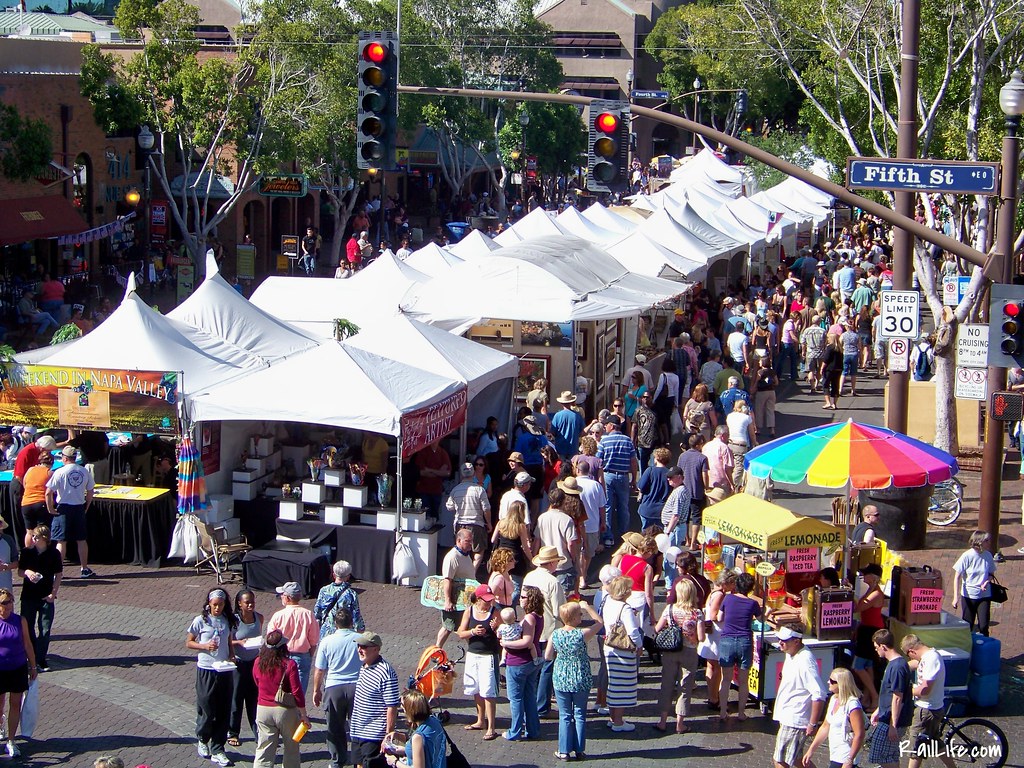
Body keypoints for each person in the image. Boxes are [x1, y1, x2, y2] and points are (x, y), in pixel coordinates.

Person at [186, 588, 238, 766]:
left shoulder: (227, 621)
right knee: (206, 705)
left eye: (221, 605)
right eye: (214, 605)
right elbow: (189, 642)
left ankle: (218, 748)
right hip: (206, 669)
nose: (217, 608)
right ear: (209, 604)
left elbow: (229, 641)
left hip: (223, 669)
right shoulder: (201, 621)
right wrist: (204, 645)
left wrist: (231, 655)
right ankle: (202, 738)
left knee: (224, 709)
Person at [546, 598, 602, 760]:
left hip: (561, 677)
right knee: (579, 714)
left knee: (565, 715)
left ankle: (563, 750)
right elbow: (599, 623)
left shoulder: (555, 634)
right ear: (574, 618)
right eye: (579, 614)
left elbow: (548, 656)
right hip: (580, 676)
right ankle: (579, 749)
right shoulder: (581, 634)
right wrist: (588, 607)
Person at [653, 579, 706, 734]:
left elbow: (657, 628)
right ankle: (680, 723)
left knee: (667, 684)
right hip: (689, 651)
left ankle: (662, 721)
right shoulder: (697, 613)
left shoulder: (669, 609)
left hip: (670, 651)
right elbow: (701, 637)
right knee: (685, 686)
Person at [313, 608, 363, 768]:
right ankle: (359, 759)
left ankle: (337, 760)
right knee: (358, 726)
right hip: (358, 687)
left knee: (334, 726)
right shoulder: (360, 639)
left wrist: (316, 690)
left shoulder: (327, 641)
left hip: (334, 688)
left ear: (335, 623)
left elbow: (320, 669)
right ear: (351, 622)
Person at [251, 629, 309, 768]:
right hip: (285, 711)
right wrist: (303, 714)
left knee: (264, 748)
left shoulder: (258, 662)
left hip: (263, 709)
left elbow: (256, 681)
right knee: (291, 748)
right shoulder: (289, 664)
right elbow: (297, 691)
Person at [772, 626, 827, 768]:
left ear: (796, 641)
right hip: (788, 717)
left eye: (784, 640)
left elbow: (819, 694)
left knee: (780, 761)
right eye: (779, 639)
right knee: (798, 760)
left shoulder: (805, 661)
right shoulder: (790, 653)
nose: (780, 643)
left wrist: (812, 724)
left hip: (795, 719)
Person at [523, 546, 567, 717]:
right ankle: (542, 706)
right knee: (547, 668)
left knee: (535, 667)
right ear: (551, 562)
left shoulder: (529, 577)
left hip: (532, 628)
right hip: (549, 630)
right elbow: (559, 611)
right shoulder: (553, 582)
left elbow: (523, 602)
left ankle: (532, 703)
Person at [901, 634, 956, 768]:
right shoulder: (927, 657)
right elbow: (913, 664)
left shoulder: (931, 659)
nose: (911, 658)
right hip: (931, 708)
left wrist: (905, 691)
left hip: (926, 710)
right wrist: (897, 668)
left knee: (916, 748)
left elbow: (924, 690)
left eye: (909, 655)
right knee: (934, 742)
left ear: (912, 651)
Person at [349, 631, 400, 768]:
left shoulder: (386, 672)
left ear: (376, 649)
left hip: (373, 735)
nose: (360, 649)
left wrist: (388, 736)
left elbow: (392, 706)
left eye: (364, 647)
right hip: (358, 731)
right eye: (359, 646)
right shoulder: (364, 666)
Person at [456, 584, 500, 740]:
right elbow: (461, 632)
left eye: (490, 600)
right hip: (473, 654)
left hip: (489, 655)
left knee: (488, 691)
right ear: (478, 599)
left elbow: (503, 634)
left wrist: (496, 628)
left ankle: (491, 727)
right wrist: (473, 632)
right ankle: (480, 720)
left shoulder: (495, 612)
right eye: (486, 600)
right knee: (475, 688)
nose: (488, 603)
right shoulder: (469, 611)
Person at [500, 585, 543, 741]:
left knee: (516, 698)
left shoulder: (530, 618)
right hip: (532, 662)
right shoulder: (537, 615)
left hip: (519, 663)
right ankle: (533, 729)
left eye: (523, 597)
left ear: (531, 599)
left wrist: (506, 643)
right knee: (529, 696)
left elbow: (526, 641)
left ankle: (515, 731)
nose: (520, 599)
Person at [601, 575, 644, 732]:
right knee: (622, 686)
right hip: (623, 649)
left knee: (613, 683)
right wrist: (639, 646)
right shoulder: (625, 608)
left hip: (609, 646)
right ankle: (618, 721)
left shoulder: (607, 602)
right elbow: (633, 631)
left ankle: (613, 718)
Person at [45, 445, 96, 579]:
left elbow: (48, 492)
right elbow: (91, 490)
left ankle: (57, 571)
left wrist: (50, 508)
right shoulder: (84, 471)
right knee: (81, 539)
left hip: (63, 508)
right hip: (79, 507)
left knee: (61, 541)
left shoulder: (60, 472)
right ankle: (84, 568)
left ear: (65, 458)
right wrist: (87, 505)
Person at [717, 572, 761, 722]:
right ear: (750, 588)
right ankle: (741, 713)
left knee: (726, 680)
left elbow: (719, 617)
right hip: (744, 641)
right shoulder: (753, 603)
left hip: (727, 640)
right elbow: (762, 620)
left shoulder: (728, 598)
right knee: (744, 680)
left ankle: (723, 711)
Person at [802, 667, 867, 768]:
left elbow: (859, 734)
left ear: (841, 684)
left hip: (845, 756)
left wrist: (849, 759)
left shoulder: (853, 705)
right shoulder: (834, 699)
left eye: (832, 681)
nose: (828, 682)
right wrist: (811, 750)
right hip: (835, 754)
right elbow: (825, 726)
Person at [17, 524, 60, 673]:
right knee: (27, 627)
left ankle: (41, 658)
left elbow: (58, 574)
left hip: (45, 596)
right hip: (28, 596)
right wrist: (28, 572)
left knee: (45, 629)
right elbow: (20, 572)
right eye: (33, 536)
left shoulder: (54, 554)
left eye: (36, 536)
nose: (33, 538)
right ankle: (32, 656)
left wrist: (53, 594)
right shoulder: (27, 552)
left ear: (45, 539)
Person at [868, 630, 912, 768]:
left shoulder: (897, 667)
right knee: (890, 755)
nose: (876, 651)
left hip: (891, 722)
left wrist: (893, 725)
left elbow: (897, 698)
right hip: (887, 717)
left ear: (883, 646)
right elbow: (888, 693)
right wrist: (878, 710)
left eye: (876, 647)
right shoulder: (894, 664)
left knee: (882, 755)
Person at [265, 582, 319, 695]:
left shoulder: (278, 616)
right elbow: (314, 640)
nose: (281, 597)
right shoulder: (308, 614)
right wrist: (309, 654)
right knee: (299, 692)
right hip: (302, 656)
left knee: (280, 691)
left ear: (288, 597)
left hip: (281, 656)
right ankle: (299, 712)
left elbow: (270, 638)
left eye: (282, 595)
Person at [0, 587, 35, 758]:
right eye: (3, 606)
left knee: (15, 704)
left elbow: (27, 644)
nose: (7, 610)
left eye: (9, 606)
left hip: (17, 668)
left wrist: (33, 666)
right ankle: (0, 726)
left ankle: (11, 741)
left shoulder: (20, 621)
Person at [595, 415, 638, 548]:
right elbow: (633, 462)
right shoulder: (628, 441)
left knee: (607, 506)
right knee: (623, 507)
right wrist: (634, 479)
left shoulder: (604, 441)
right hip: (623, 476)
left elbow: (598, 460)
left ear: (612, 426)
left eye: (607, 425)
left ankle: (608, 537)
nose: (605, 427)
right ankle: (624, 535)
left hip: (608, 476)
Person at [227, 589, 262, 748]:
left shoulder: (259, 618)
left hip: (254, 663)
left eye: (252, 602)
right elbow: (227, 641)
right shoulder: (234, 621)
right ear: (239, 604)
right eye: (247, 602)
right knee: (237, 699)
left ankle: (257, 732)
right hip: (239, 664)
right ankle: (233, 732)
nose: (250, 605)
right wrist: (238, 643)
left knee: (254, 699)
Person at [535, 486, 580, 596]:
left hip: (546, 560)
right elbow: (571, 543)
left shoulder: (542, 518)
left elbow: (537, 540)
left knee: (546, 593)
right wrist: (574, 557)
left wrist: (534, 556)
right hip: (563, 563)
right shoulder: (566, 519)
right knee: (562, 595)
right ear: (563, 501)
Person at [436, 528, 477, 648]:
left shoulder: (465, 555)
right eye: (467, 541)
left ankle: (474, 649)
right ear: (459, 540)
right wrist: (448, 601)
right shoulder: (452, 557)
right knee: (448, 626)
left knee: (464, 625)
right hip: (455, 601)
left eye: (471, 541)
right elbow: (447, 579)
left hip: (464, 600)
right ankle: (436, 651)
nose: (471, 544)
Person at [951, 530, 997, 636]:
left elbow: (991, 573)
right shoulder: (967, 556)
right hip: (969, 595)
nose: (989, 542)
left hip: (984, 595)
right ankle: (967, 649)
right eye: (986, 540)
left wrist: (986, 582)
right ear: (979, 542)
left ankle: (984, 650)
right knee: (968, 625)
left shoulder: (988, 555)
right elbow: (957, 576)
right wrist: (955, 597)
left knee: (984, 625)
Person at [852, 564, 885, 710]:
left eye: (866, 574)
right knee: (868, 666)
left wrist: (852, 595)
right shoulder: (870, 590)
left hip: (872, 631)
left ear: (873, 577)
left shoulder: (876, 593)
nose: (863, 576)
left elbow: (858, 608)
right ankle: (867, 698)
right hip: (866, 629)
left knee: (858, 666)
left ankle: (874, 696)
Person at [446, 463, 492, 568]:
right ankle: (472, 572)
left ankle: (461, 572)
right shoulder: (480, 489)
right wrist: (489, 523)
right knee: (478, 551)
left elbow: (449, 507)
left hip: (460, 524)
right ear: (474, 474)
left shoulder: (455, 490)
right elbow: (486, 508)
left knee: (461, 550)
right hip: (476, 524)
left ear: (461, 474)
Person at [389, 689, 446, 768]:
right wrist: (404, 750)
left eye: (403, 705)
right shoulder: (434, 721)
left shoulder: (418, 737)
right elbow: (426, 751)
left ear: (411, 710)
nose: (402, 709)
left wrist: (395, 762)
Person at [491, 503, 533, 602]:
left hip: (501, 555)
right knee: (517, 586)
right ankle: (509, 604)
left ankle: (500, 602)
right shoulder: (520, 526)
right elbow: (525, 547)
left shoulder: (501, 523)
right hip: (514, 557)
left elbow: (493, 540)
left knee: (499, 580)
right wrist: (532, 559)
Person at [314, 560, 365, 640]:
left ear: (334, 575)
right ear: (348, 576)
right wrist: (361, 629)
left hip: (326, 632)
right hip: (344, 633)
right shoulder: (351, 594)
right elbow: (356, 615)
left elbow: (317, 612)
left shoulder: (324, 590)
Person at [574, 460, 606, 588]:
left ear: (578, 470)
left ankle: (580, 576)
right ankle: (583, 575)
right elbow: (602, 506)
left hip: (576, 524)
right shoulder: (596, 486)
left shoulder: (573, 484)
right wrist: (603, 522)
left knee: (577, 552)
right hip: (592, 524)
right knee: (588, 553)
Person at [675, 434, 710, 550]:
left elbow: (678, 472)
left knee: (685, 516)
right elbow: (704, 475)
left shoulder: (682, 456)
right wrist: (707, 487)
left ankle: (687, 540)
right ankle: (693, 543)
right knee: (696, 517)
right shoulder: (702, 458)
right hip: (697, 491)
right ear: (698, 445)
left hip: (684, 490)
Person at [20, 452, 54, 549]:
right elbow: (52, 490)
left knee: (29, 531)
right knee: (41, 531)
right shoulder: (50, 473)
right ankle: (42, 553)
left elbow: (24, 484)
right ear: (51, 462)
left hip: (26, 503)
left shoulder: (30, 470)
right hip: (40, 503)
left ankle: (27, 553)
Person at [637, 447, 672, 531]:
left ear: (656, 458)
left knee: (646, 534)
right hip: (662, 510)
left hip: (647, 508)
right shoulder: (670, 473)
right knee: (660, 535)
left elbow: (640, 486)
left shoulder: (650, 471)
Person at [414, 441, 451, 522]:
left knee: (435, 517)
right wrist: (438, 472)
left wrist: (430, 470)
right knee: (424, 516)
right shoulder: (423, 452)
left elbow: (447, 472)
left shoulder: (442, 453)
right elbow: (421, 472)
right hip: (424, 490)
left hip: (437, 490)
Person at [725, 400, 756, 490]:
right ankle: (733, 486)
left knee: (730, 465)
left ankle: (729, 482)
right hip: (741, 444)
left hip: (730, 443)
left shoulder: (729, 416)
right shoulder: (746, 418)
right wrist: (755, 443)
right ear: (743, 407)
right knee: (739, 467)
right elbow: (751, 433)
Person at [752, 355, 780, 439]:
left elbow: (757, 381)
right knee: (770, 410)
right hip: (771, 392)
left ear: (763, 362)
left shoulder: (760, 372)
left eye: (760, 361)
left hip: (761, 392)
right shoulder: (772, 371)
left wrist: (754, 388)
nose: (759, 362)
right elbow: (777, 382)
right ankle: (772, 430)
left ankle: (758, 429)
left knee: (759, 410)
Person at [550, 392, 585, 458]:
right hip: (573, 449)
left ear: (561, 403)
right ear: (571, 402)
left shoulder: (557, 416)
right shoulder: (577, 415)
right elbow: (581, 432)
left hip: (560, 448)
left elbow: (553, 432)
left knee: (562, 467)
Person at [629, 390, 658, 472]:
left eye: (647, 397)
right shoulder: (638, 410)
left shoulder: (656, 409)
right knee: (642, 467)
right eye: (643, 397)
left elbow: (662, 425)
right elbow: (634, 426)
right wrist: (632, 440)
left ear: (651, 398)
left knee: (654, 467)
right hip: (641, 444)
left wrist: (665, 441)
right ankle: (643, 484)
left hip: (654, 443)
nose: (645, 399)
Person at [703, 426, 735, 496]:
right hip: (721, 483)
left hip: (708, 481)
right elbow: (727, 468)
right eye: (728, 435)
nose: (728, 438)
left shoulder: (706, 446)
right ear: (723, 435)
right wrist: (732, 484)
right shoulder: (724, 448)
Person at [821, 333, 844, 410]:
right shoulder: (840, 348)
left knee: (826, 384)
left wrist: (822, 368)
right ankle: (834, 404)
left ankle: (828, 402)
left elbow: (826, 359)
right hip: (838, 369)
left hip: (829, 369)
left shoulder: (830, 347)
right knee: (835, 385)